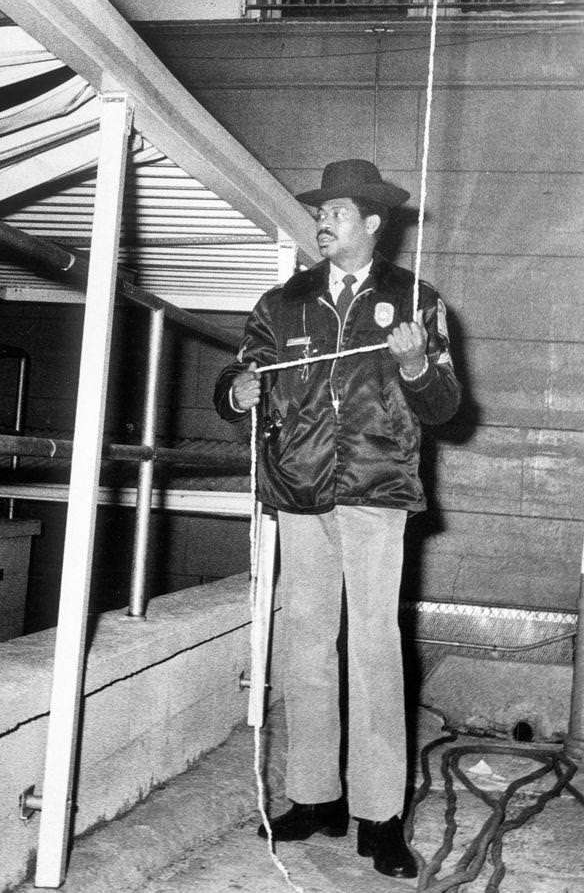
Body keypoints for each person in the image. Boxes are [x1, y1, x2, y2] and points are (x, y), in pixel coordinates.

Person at [214, 159, 461, 881]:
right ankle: (314, 796)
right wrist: (237, 389)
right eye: (320, 213)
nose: (323, 222)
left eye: (338, 213)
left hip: (377, 490)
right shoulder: (283, 303)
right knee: (307, 644)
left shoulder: (416, 300)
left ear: (374, 223)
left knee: (375, 648)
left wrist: (416, 368)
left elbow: (446, 406)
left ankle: (380, 815)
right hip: (299, 490)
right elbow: (235, 380)